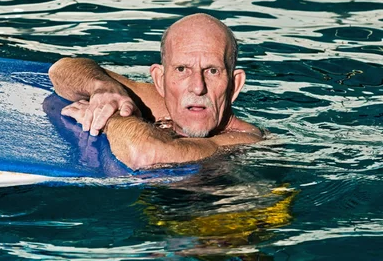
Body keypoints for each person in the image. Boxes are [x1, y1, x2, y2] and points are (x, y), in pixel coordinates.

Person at [48, 13, 263, 170]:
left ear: (234, 85)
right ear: (160, 80)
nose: (198, 87)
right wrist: (103, 88)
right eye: (181, 69)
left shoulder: (244, 140)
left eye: (212, 71)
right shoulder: (159, 104)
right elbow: (62, 70)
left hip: (227, 219)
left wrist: (109, 116)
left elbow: (144, 154)